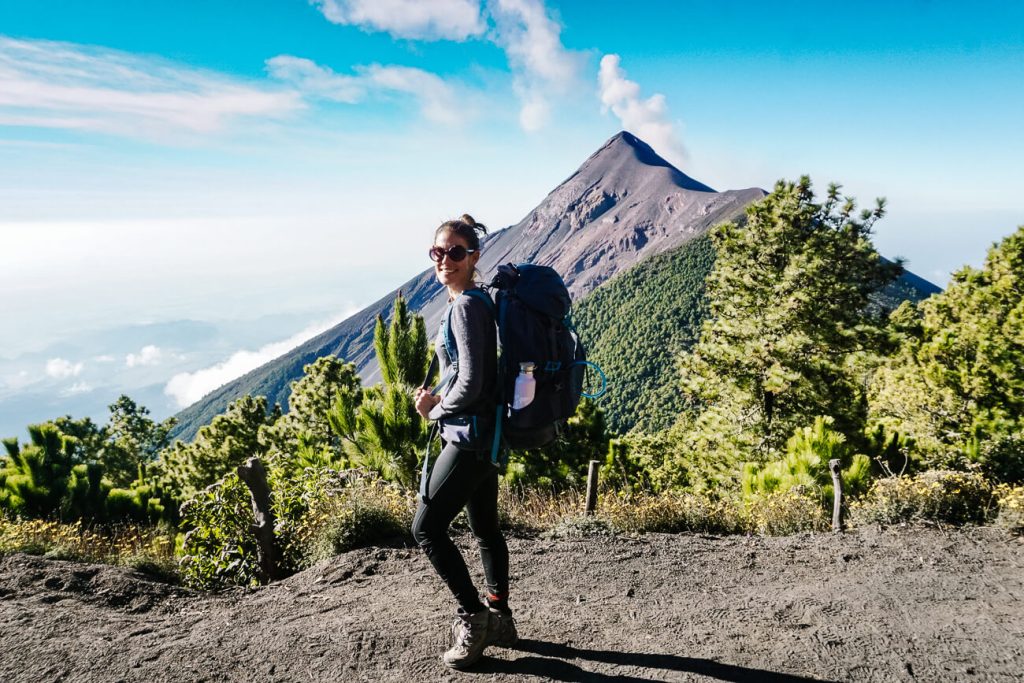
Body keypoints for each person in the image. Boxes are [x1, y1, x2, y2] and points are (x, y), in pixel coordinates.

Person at [412, 214, 518, 669]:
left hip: (469, 437)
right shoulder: (474, 301)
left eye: (456, 252)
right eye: (438, 252)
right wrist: (437, 394)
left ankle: (473, 618)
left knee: (426, 528)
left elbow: (473, 380)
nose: (445, 260)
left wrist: (434, 409)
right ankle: (500, 617)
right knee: (485, 530)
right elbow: (467, 374)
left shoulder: (467, 306)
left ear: (474, 257)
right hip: (486, 434)